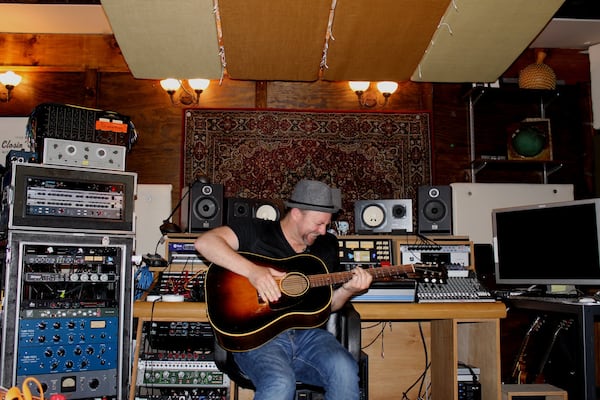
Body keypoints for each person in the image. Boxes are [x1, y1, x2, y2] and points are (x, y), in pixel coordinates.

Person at [195, 179, 372, 400]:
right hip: (258, 340)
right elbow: (205, 243)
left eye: (327, 224)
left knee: (345, 370)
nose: (323, 230)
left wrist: (349, 290)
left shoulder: (327, 245)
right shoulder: (257, 230)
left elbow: (329, 304)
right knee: (280, 382)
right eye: (318, 223)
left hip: (309, 337)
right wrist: (254, 272)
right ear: (297, 213)